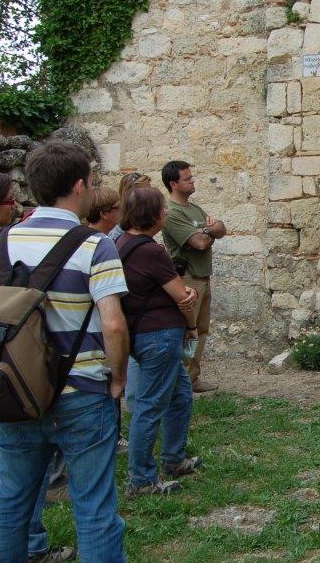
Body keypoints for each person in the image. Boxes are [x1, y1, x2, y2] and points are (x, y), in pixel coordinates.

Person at [0, 140, 129, 562]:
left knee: (10, 505)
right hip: (82, 390)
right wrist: (117, 377)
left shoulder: (0, 246)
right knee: (95, 510)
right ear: (80, 185)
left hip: (19, 389)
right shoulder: (93, 245)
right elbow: (113, 322)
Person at [118, 187, 202, 496]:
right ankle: (140, 479)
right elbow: (182, 296)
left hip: (141, 332)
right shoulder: (151, 251)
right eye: (162, 210)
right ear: (152, 215)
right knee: (150, 406)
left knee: (180, 396)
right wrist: (190, 313)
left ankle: (173, 459)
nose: (165, 214)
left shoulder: (120, 244)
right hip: (159, 336)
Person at [161, 161, 225, 393]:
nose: (192, 181)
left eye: (191, 177)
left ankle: (192, 377)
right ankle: (180, 380)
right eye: (187, 179)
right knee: (186, 331)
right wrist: (209, 231)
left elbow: (222, 229)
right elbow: (198, 243)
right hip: (187, 278)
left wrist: (208, 231)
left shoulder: (194, 209)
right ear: (173, 184)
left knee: (201, 329)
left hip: (203, 277)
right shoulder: (173, 214)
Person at [109, 172, 152, 242]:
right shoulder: (120, 224)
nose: (151, 196)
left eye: (150, 191)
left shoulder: (145, 218)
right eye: (145, 192)